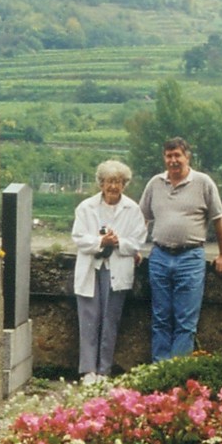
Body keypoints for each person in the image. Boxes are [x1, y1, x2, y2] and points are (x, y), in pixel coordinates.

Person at [138, 136, 222, 362]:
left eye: (177, 155)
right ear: (164, 158)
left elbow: (218, 219)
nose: (173, 160)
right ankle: (158, 372)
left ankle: (176, 375)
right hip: (159, 255)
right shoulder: (155, 183)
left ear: (187, 156)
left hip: (190, 257)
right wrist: (135, 248)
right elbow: (142, 219)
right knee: (160, 318)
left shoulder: (203, 183)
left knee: (185, 321)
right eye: (169, 156)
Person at [71, 159, 147, 385]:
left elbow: (138, 241)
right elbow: (78, 237)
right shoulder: (86, 207)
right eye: (108, 181)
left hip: (117, 268)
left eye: (118, 182)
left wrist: (117, 242)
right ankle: (88, 370)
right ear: (101, 184)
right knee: (88, 318)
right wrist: (100, 241)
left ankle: (104, 370)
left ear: (125, 184)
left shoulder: (133, 209)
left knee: (110, 319)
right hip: (91, 267)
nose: (113, 186)